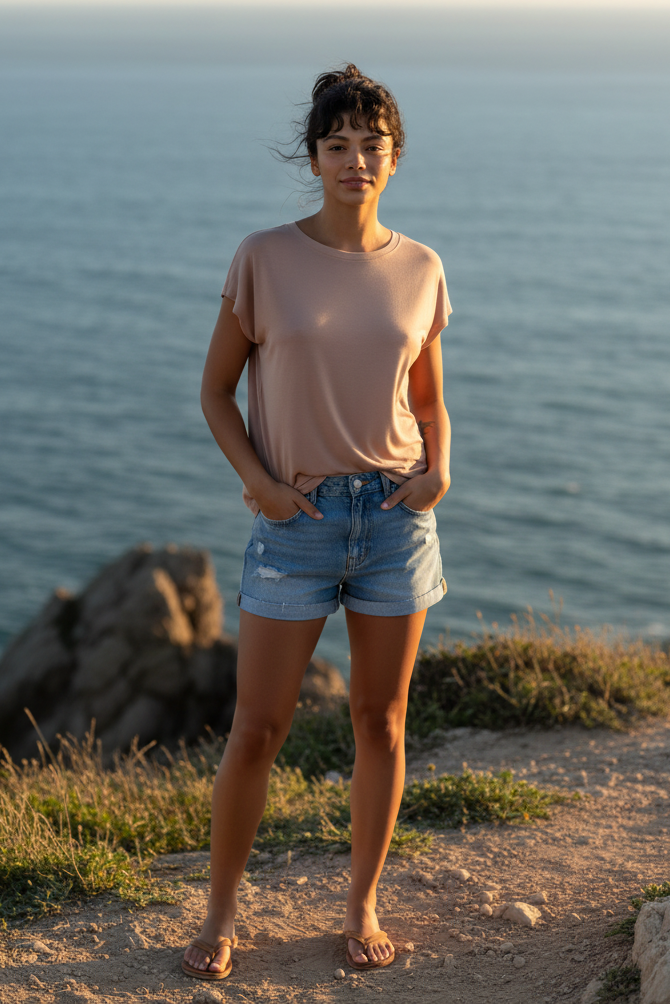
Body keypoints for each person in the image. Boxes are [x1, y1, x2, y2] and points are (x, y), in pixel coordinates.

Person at [182, 63, 452, 982]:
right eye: (337, 145)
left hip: (391, 520)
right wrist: (258, 484)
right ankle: (220, 914)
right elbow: (217, 391)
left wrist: (438, 473)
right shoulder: (264, 256)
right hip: (294, 520)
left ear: (394, 154)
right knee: (257, 725)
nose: (355, 160)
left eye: (371, 143)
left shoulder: (422, 267)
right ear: (314, 157)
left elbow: (431, 400)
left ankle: (362, 903)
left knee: (381, 722)